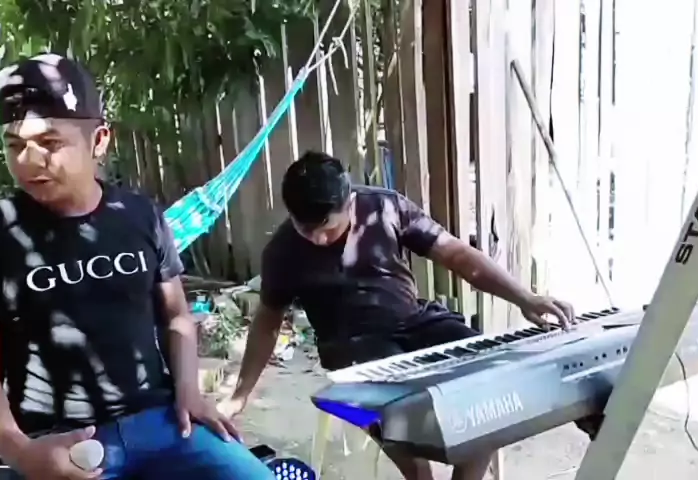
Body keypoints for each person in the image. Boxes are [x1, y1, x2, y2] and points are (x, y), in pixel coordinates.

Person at [0, 53, 274, 480]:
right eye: (15, 145)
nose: (29, 160)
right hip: (61, 443)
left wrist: (189, 390)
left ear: (99, 140)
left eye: (50, 143)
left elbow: (176, 315)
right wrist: (23, 454)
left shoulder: (140, 216)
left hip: (164, 424)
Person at [218, 152, 576, 480]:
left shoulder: (384, 208)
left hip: (416, 323)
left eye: (327, 227)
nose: (318, 239)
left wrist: (525, 298)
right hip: (353, 352)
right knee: (404, 431)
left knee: (490, 388)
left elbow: (457, 255)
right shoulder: (282, 252)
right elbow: (267, 324)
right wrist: (241, 394)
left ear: (349, 203)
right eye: (305, 228)